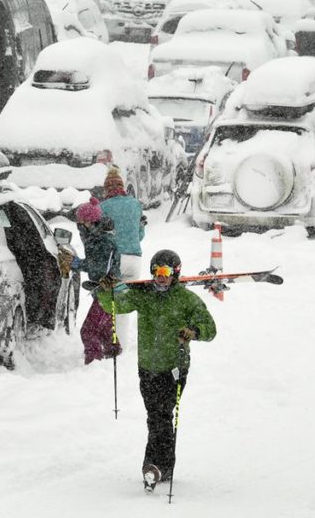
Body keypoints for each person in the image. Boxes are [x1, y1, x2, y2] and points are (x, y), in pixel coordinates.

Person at [96, 249, 217, 488]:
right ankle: (163, 467)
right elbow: (115, 306)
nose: (160, 277)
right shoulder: (144, 296)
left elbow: (210, 328)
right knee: (155, 417)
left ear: (176, 274)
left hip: (174, 368)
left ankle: (155, 466)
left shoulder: (187, 300)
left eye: (165, 272)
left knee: (161, 415)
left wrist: (194, 331)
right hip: (147, 368)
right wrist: (104, 290)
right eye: (156, 271)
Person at [66, 197, 122, 364]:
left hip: (108, 291)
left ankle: (94, 362)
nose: (79, 227)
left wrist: (76, 263)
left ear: (90, 222)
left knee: (88, 331)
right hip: (105, 291)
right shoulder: (96, 236)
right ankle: (114, 354)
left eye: (81, 223)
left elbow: (100, 269)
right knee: (105, 329)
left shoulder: (102, 241)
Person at [100, 166, 146, 280]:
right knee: (130, 297)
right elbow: (140, 236)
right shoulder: (136, 204)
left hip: (114, 259)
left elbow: (101, 237)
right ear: (122, 187)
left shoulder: (102, 207)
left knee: (112, 297)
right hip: (135, 259)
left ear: (106, 189)